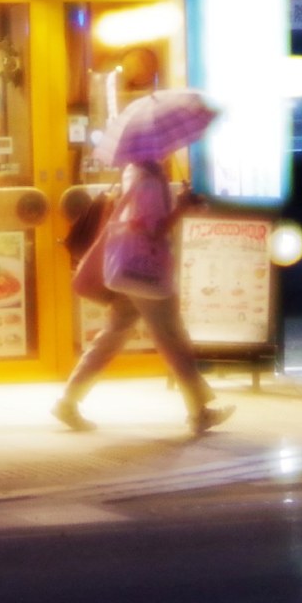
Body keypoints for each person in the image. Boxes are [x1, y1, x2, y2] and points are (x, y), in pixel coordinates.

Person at [53, 159, 235, 436]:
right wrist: (182, 208)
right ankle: (199, 412)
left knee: (114, 335)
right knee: (173, 337)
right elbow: (153, 230)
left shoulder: (135, 171)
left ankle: (68, 402)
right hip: (145, 273)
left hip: (129, 268)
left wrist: (182, 204)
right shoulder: (148, 179)